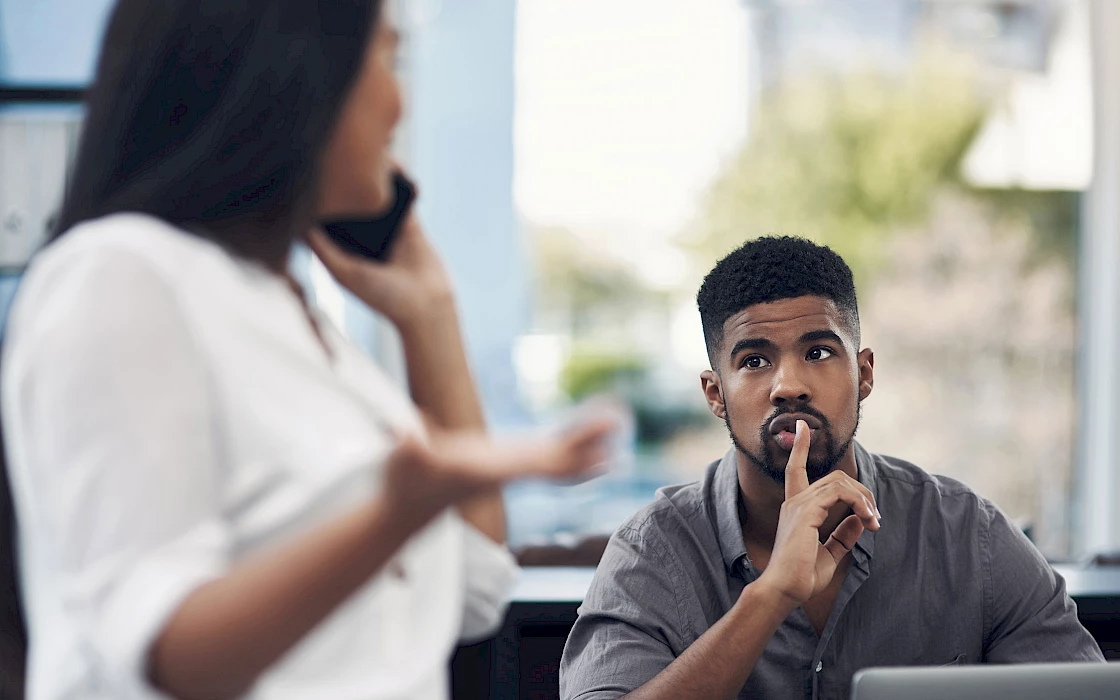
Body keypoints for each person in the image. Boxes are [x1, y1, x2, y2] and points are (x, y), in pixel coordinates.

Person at [0, 1, 617, 699]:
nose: (399, 102)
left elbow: (475, 587)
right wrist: (395, 511)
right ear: (291, 75)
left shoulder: (293, 318)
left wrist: (431, 317)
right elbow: (164, 652)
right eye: (385, 57)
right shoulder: (124, 274)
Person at [559, 236, 1104, 700]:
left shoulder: (968, 534)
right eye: (754, 361)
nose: (788, 385)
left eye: (819, 352)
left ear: (864, 374)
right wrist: (770, 596)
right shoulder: (653, 549)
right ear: (715, 394)